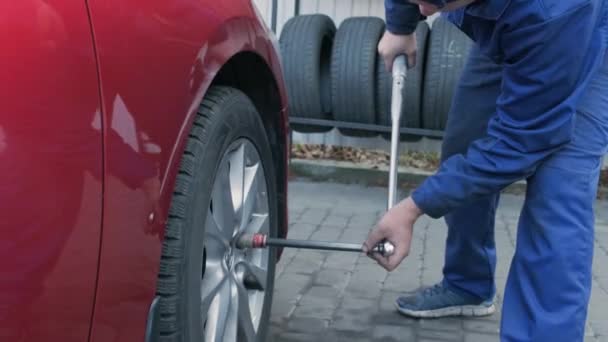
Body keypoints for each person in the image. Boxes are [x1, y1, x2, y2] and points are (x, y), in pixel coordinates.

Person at [363, 0, 608, 340]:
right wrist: (400, 25)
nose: (422, 8)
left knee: (558, 191)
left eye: (435, 2)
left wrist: (413, 208)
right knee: (464, 147)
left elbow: (519, 142)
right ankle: (468, 283)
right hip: (514, 27)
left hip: (581, 38)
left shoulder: (559, 11)